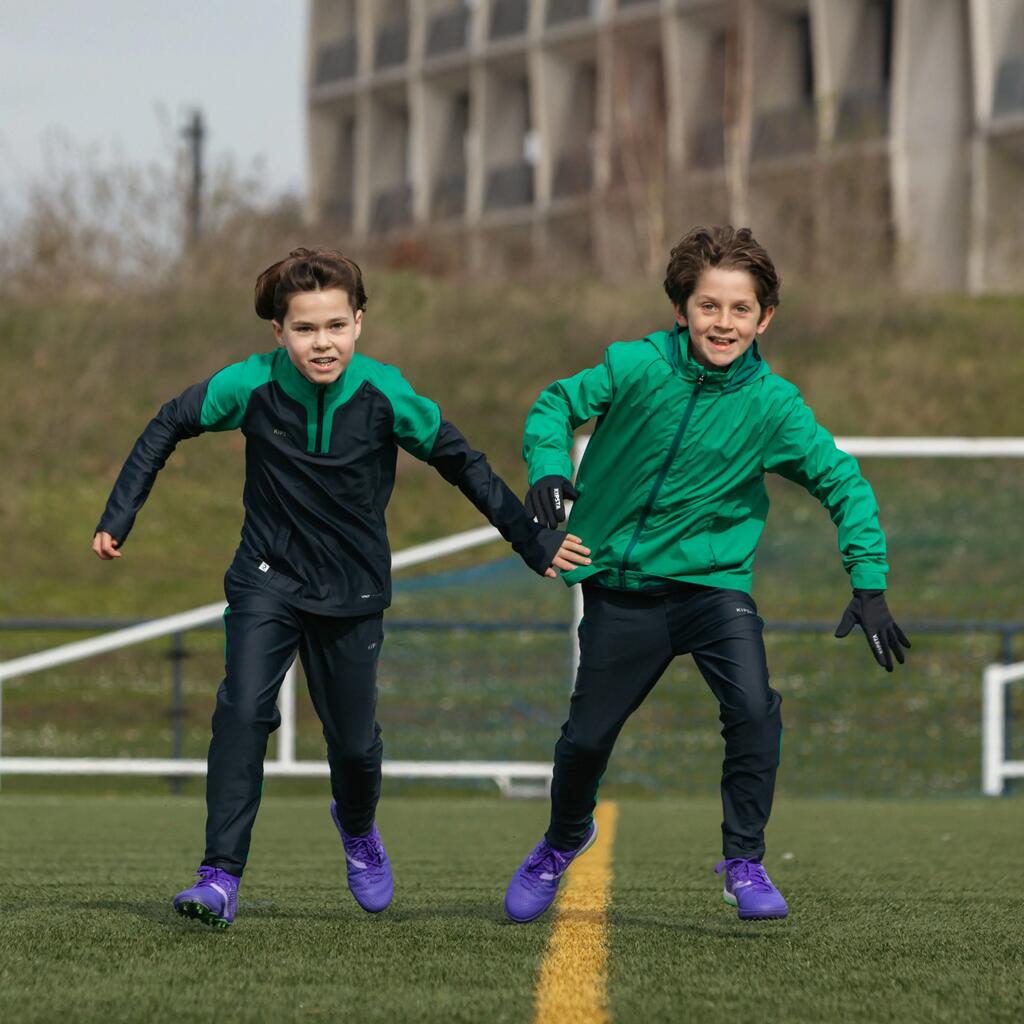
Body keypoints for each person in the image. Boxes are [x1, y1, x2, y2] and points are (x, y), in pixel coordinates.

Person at [92, 247, 590, 929]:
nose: (321, 342)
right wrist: (120, 514)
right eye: (304, 329)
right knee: (242, 712)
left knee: (353, 746)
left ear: (358, 323)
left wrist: (531, 541)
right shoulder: (250, 384)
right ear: (279, 333)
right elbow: (166, 424)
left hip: (353, 591)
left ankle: (357, 830)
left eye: (334, 325)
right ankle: (218, 877)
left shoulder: (387, 393)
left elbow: (462, 463)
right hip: (267, 578)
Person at [504, 225, 910, 923]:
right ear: (683, 309)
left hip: (713, 587)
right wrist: (547, 469)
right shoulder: (634, 366)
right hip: (620, 592)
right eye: (709, 307)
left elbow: (844, 483)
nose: (723, 323)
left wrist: (868, 583)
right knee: (586, 740)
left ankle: (744, 861)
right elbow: (554, 405)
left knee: (755, 709)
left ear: (765, 317)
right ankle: (563, 839)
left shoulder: (773, 407)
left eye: (740, 309)